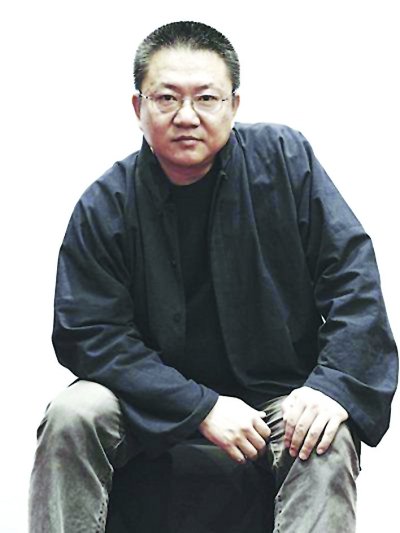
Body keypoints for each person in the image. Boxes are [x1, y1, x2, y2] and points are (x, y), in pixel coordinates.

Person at [29, 20, 398, 532]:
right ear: (138, 107)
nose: (187, 116)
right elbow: (90, 334)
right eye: (166, 98)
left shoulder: (286, 161)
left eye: (206, 98)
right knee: (73, 412)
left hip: (275, 397)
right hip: (145, 403)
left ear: (234, 105)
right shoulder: (105, 204)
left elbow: (352, 280)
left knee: (324, 432)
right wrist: (199, 406)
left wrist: (333, 386)